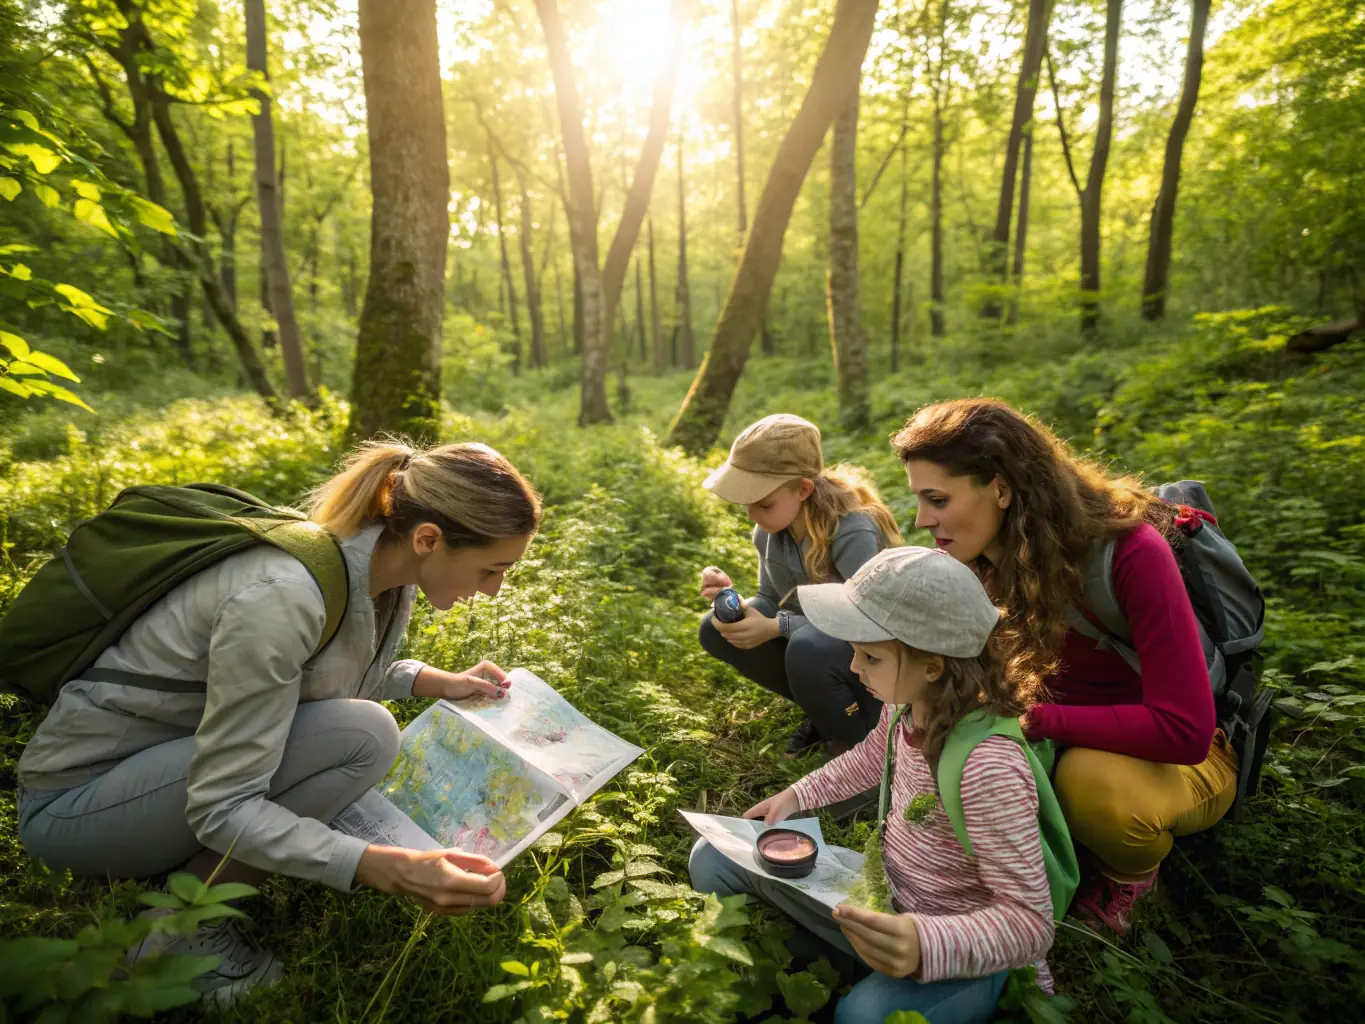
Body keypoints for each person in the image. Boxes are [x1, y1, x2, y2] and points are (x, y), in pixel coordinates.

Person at [15, 440, 542, 1001]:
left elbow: (315, 672)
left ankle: (172, 885)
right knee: (363, 736)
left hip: (152, 773)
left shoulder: (367, 569)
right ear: (428, 539)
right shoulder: (284, 595)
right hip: (74, 807)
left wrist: (428, 680)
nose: (493, 589)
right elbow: (222, 807)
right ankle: (174, 937)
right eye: (492, 568)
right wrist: (381, 866)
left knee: (362, 732)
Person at [891, 398, 1238, 935]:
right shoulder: (975, 559)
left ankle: (1131, 876)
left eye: (937, 499)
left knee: (1091, 785)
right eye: (919, 500)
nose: (922, 519)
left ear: (1001, 488)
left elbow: (1186, 730)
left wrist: (1032, 721)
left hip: (1174, 762)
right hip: (1058, 735)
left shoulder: (1129, 554)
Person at [690, 547, 1056, 1024]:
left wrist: (923, 943)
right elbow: (869, 757)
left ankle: (864, 977)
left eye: (870, 655)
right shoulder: (905, 703)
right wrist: (798, 795)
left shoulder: (989, 768)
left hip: (961, 947)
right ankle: (852, 963)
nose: (854, 667)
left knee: (861, 1016)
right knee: (714, 856)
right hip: (884, 899)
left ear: (933, 664)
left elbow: (1030, 924)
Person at [698, 413, 902, 755]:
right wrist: (731, 603)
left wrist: (779, 625)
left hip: (877, 648)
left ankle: (864, 744)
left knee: (807, 646)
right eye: (748, 503)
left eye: (763, 503)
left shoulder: (852, 530)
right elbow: (771, 597)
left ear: (803, 490)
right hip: (819, 641)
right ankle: (826, 714)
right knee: (713, 629)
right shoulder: (770, 531)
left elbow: (867, 617)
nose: (752, 515)